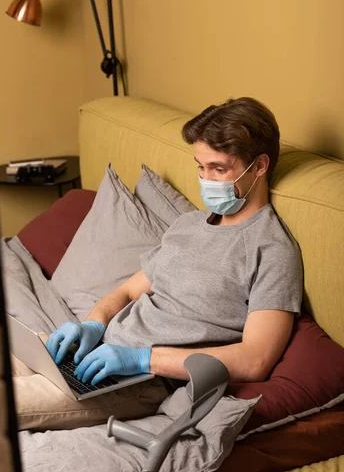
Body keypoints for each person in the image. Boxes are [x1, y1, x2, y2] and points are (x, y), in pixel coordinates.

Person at [46, 96, 303, 398]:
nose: (206, 180)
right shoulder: (188, 224)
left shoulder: (272, 250)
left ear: (259, 166)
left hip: (147, 379)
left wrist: (143, 360)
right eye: (201, 168)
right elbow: (128, 291)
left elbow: (255, 360)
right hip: (101, 357)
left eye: (219, 169)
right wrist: (92, 324)